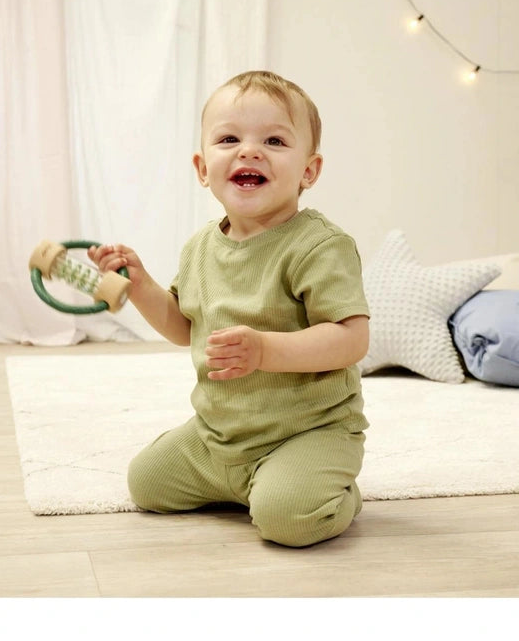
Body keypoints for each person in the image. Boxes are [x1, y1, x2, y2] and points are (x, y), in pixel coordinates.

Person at [89, 70, 370, 547]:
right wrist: (139, 285)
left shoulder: (319, 246)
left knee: (287, 521)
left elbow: (351, 339)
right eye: (229, 139)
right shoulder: (200, 247)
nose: (249, 151)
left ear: (309, 170)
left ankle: (331, 491)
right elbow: (183, 328)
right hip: (220, 435)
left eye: (275, 140)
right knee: (146, 484)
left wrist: (265, 350)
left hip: (306, 431)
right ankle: (245, 482)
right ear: (202, 168)